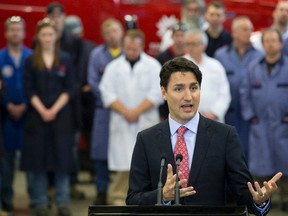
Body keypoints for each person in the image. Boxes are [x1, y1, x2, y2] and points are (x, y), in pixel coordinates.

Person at [126, 57, 282, 216]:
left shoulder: (225, 135)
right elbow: (133, 199)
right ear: (164, 92)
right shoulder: (146, 139)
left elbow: (242, 192)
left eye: (193, 88)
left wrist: (258, 201)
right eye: (179, 89)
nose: (188, 97)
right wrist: (162, 196)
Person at [99, 29, 163, 205]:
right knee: (122, 167)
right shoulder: (113, 68)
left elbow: (157, 93)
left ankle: (147, 203)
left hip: (145, 121)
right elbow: (107, 93)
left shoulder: (153, 66)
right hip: (121, 121)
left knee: (147, 165)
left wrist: (136, 111)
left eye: (134, 48)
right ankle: (118, 202)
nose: (130, 51)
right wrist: (125, 111)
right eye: (127, 48)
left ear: (141, 46)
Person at [21, 18, 75, 216]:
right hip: (37, 117)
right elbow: (28, 89)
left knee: (62, 160)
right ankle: (41, 201)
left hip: (61, 117)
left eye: (50, 34)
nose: (47, 38)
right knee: (39, 161)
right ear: (38, 37)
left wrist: (53, 109)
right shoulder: (30, 60)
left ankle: (62, 202)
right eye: (43, 34)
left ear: (56, 36)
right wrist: (43, 110)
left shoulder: (65, 59)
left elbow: (70, 88)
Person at [240, 28, 288, 212]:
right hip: (259, 125)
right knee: (260, 166)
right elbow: (244, 92)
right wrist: (250, 115)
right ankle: (263, 201)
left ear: (280, 43)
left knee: (285, 163)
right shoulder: (253, 67)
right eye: (266, 41)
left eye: (273, 40)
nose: (270, 44)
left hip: (283, 125)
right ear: (263, 44)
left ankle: (285, 200)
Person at [45, 2, 85, 200]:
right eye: (52, 16)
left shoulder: (73, 41)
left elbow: (76, 72)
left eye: (59, 16)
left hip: (70, 103)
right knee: (49, 146)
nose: (55, 19)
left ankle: (71, 184)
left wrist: (70, 92)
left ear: (63, 17)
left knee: (71, 148)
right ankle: (52, 186)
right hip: (47, 103)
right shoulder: (41, 41)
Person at [214, 16, 263, 160]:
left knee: (250, 155)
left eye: (251, 29)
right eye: (245, 29)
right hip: (228, 114)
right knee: (227, 153)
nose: (250, 32)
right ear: (234, 32)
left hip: (251, 117)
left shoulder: (259, 56)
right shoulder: (220, 55)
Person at [88, 18, 123, 205]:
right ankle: (101, 191)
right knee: (101, 153)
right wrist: (111, 101)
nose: (112, 35)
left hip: (125, 112)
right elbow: (93, 82)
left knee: (125, 151)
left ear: (122, 32)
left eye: (115, 30)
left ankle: (123, 190)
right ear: (104, 35)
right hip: (104, 110)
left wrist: (123, 103)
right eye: (108, 32)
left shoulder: (129, 53)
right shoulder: (96, 55)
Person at [0, 16, 32, 213]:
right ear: (6, 33)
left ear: (24, 32)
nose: (15, 33)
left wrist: (26, 105)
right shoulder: (0, 57)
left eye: (18, 29)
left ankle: (35, 200)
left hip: (29, 117)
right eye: (12, 29)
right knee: (5, 162)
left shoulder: (31, 57)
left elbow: (37, 86)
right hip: (6, 119)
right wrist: (7, 105)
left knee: (31, 161)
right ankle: (6, 199)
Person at [64, 15, 96, 177]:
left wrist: (91, 85)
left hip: (89, 104)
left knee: (92, 143)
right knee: (70, 146)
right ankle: (72, 181)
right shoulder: (61, 51)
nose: (75, 36)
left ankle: (94, 175)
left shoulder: (91, 49)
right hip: (69, 103)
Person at [184, 29, 231, 123]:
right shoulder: (179, 66)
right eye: (188, 44)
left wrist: (213, 114)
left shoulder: (215, 65)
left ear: (203, 45)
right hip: (187, 119)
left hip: (214, 120)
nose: (190, 47)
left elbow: (225, 94)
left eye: (194, 44)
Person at [157, 22, 188, 120]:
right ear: (172, 36)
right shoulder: (162, 58)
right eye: (177, 35)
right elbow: (159, 84)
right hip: (167, 107)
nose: (179, 39)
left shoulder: (191, 57)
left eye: (182, 35)